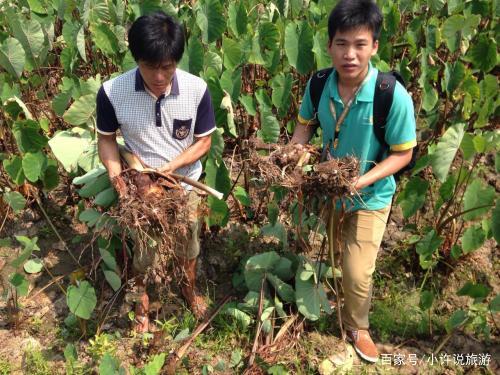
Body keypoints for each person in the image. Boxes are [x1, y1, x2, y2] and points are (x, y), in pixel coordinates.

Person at [291, 0, 416, 363]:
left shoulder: (390, 95)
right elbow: (304, 128)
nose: (350, 54)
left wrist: (362, 181)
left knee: (358, 271)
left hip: (371, 194)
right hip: (331, 190)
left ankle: (358, 326)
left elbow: (402, 153)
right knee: (335, 252)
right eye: (342, 44)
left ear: (374, 46)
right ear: (329, 45)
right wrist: (292, 155)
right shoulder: (318, 84)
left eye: (360, 44)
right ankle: (334, 301)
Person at [96, 11, 216, 332]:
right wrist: (115, 176)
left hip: (184, 186)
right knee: (143, 252)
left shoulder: (196, 90)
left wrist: (172, 168)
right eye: (151, 67)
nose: (160, 76)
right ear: (137, 58)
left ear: (177, 59)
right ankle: (142, 303)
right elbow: (106, 140)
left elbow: (204, 141)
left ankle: (189, 289)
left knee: (188, 246)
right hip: (142, 190)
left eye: (167, 67)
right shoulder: (112, 92)